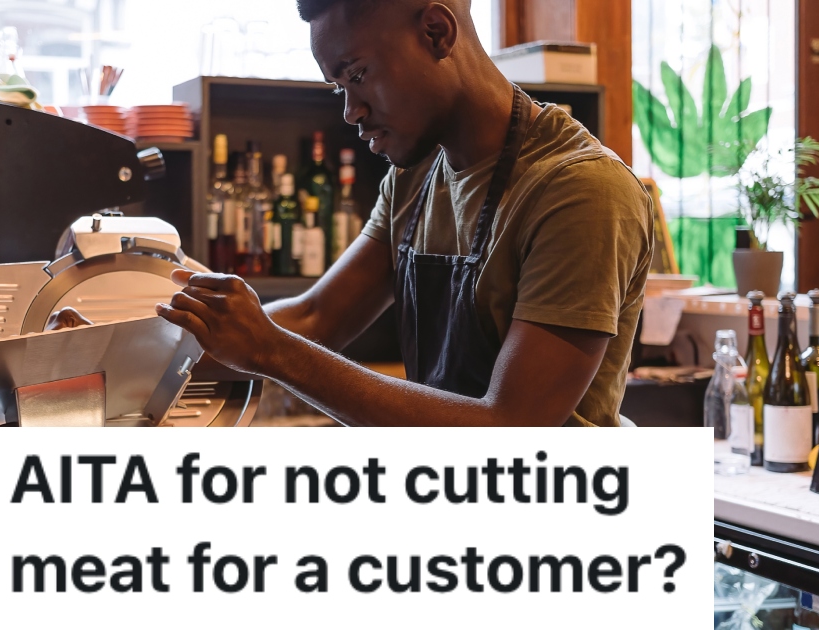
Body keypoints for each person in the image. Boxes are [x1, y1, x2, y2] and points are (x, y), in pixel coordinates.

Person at [155, 0, 653, 427]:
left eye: (358, 74)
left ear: (437, 33)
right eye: (338, 87)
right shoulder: (414, 179)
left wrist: (272, 353)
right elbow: (317, 316)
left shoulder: (581, 192)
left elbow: (509, 428)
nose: (350, 110)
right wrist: (137, 349)